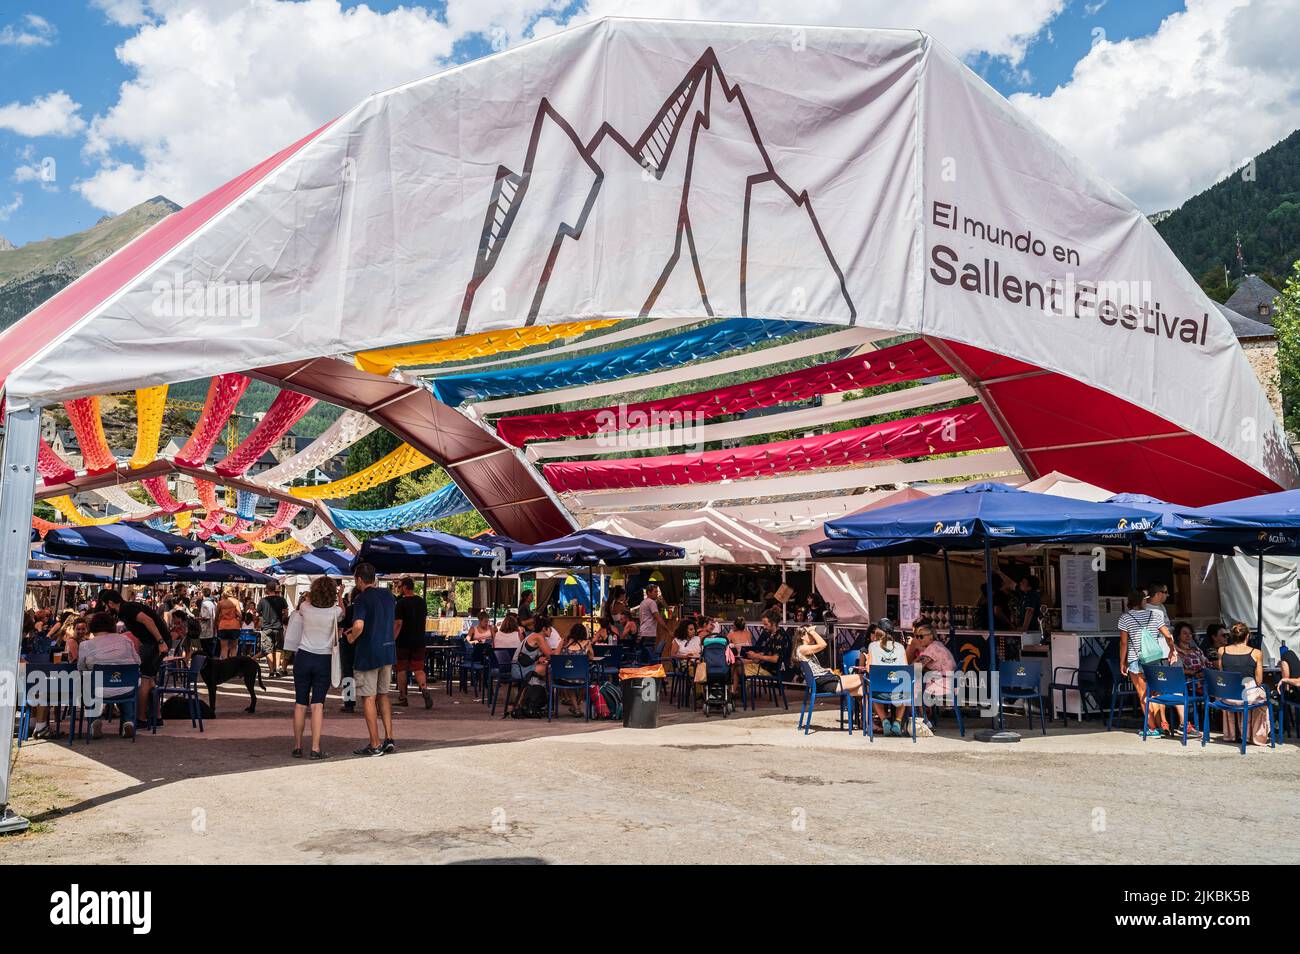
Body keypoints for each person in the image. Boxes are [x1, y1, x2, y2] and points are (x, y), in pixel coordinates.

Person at [285, 576, 342, 759]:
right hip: (323, 659)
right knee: (318, 705)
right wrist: (339, 595)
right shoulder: (335, 611)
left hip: (303, 657)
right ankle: (315, 748)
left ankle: (297, 746)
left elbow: (303, 602)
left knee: (300, 703)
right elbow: (344, 611)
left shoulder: (305, 608)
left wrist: (310, 595)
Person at [97, 589, 169, 731]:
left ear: (111, 603)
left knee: (143, 679)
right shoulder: (126, 609)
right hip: (152, 643)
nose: (106, 608)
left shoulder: (127, 609)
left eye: (106, 605)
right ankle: (156, 717)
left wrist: (160, 642)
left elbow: (147, 620)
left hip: (154, 643)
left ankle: (141, 718)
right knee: (150, 680)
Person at [346, 563, 397, 756]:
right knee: (383, 695)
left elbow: (359, 625)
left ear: (359, 579)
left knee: (368, 697)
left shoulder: (361, 599)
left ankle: (374, 744)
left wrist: (351, 637)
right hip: (388, 650)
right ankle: (389, 738)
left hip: (369, 653)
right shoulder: (388, 596)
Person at [1117, 587, 1175, 738]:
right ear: (1142, 600)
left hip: (1136, 660)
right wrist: (1171, 650)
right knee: (1156, 693)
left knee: (1143, 695)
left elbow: (1124, 643)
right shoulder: (1155, 615)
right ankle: (1162, 723)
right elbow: (1169, 636)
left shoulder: (1125, 618)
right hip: (1154, 659)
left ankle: (1152, 728)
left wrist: (1122, 662)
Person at [78, 610, 142, 739]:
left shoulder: (86, 645)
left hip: (98, 689)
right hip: (128, 688)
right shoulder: (126, 640)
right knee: (124, 681)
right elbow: (138, 662)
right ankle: (128, 721)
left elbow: (81, 668)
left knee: (87, 681)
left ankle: (94, 720)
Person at [1217, 622, 1269, 746]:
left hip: (1227, 696)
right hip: (1246, 697)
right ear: (1247, 636)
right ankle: (1253, 735)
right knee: (1262, 697)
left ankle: (1233, 734)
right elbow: (1259, 680)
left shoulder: (1221, 650)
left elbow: (1221, 675)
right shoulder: (1256, 653)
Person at [791, 625, 862, 701]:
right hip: (824, 683)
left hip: (823, 680)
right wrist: (812, 631)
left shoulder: (804, 649)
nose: (813, 636)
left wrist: (825, 669)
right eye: (810, 634)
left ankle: (864, 712)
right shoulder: (802, 648)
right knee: (863, 678)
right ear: (802, 636)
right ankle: (865, 711)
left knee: (863, 689)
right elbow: (823, 644)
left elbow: (813, 669)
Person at [393, 577, 433, 709]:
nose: (399, 589)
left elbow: (398, 623)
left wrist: (393, 638)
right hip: (419, 640)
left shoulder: (400, 603)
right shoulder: (422, 602)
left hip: (403, 641)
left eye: (399, 587)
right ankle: (424, 689)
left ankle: (403, 697)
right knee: (418, 668)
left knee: (401, 669)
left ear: (405, 587)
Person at [865, 621, 909, 735]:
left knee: (871, 687)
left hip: (879, 692)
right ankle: (897, 723)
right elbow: (905, 669)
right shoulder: (900, 647)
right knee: (907, 688)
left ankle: (884, 720)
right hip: (899, 692)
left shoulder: (872, 646)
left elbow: (869, 669)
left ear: (878, 631)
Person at [258, 582, 291, 678]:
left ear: (267, 590)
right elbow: (286, 612)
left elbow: (257, 613)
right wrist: (281, 618)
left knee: (268, 650)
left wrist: (263, 617)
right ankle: (276, 669)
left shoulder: (263, 601)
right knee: (278, 649)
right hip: (278, 627)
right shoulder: (282, 600)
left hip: (266, 628)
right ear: (275, 589)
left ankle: (271, 671)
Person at [637, 582, 669, 654]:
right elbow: (658, 618)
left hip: (643, 631)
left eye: (657, 592)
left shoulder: (643, 602)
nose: (657, 593)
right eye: (655, 592)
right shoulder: (652, 602)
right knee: (649, 656)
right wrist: (668, 630)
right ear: (649, 592)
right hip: (649, 632)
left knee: (643, 655)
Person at [215, 588, 242, 660]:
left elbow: (216, 616)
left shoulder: (220, 603)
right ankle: (232, 667)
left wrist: (215, 625)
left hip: (223, 626)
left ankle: (224, 667)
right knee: (233, 647)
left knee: (224, 649)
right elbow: (240, 615)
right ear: (232, 592)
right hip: (234, 626)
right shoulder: (236, 602)